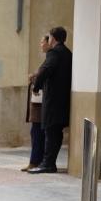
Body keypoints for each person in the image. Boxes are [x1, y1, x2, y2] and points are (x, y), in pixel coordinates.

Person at [29, 26, 73, 174]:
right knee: (56, 131)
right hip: (64, 99)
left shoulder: (54, 52)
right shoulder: (68, 53)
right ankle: (49, 162)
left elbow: (46, 70)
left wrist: (37, 86)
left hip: (53, 100)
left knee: (50, 131)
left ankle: (48, 163)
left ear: (53, 38)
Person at [23, 35, 50, 172]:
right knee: (36, 133)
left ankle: (35, 162)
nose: (41, 44)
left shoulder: (51, 58)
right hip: (39, 104)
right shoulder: (48, 58)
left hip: (40, 105)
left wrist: (33, 77)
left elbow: (41, 76)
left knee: (37, 133)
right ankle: (35, 161)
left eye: (42, 41)